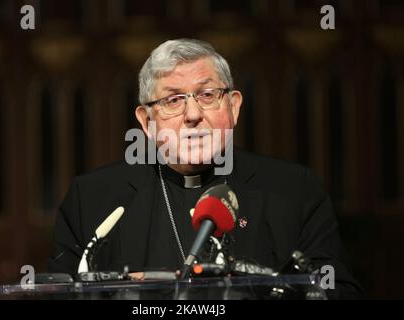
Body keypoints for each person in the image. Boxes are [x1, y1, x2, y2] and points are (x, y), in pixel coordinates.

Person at [48, 38, 362, 299]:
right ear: (147, 122)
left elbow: (338, 291)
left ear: (234, 106)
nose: (193, 114)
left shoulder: (294, 190)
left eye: (207, 95)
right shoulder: (91, 199)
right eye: (173, 100)